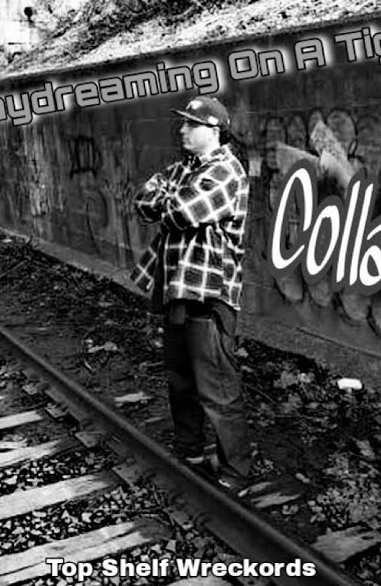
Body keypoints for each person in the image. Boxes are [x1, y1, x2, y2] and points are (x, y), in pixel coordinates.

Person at [131, 96, 253, 495]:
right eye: (183, 123)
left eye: (191, 124)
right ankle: (190, 452)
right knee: (180, 379)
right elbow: (142, 201)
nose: (182, 130)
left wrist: (169, 197)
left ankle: (236, 472)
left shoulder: (227, 171)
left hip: (210, 295)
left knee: (217, 389)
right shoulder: (186, 168)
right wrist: (169, 196)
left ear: (214, 130)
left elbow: (182, 212)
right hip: (177, 289)